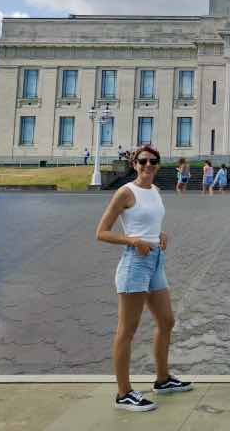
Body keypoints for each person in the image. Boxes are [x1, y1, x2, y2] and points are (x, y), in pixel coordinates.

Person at [95, 146, 192, 412]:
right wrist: (132, 240)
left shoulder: (156, 191)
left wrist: (161, 235)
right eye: (143, 161)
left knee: (166, 321)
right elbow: (101, 232)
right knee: (127, 330)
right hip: (135, 263)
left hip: (156, 260)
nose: (148, 165)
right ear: (134, 164)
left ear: (159, 166)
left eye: (153, 161)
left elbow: (151, 223)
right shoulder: (125, 192)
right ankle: (123, 393)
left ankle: (162, 379)